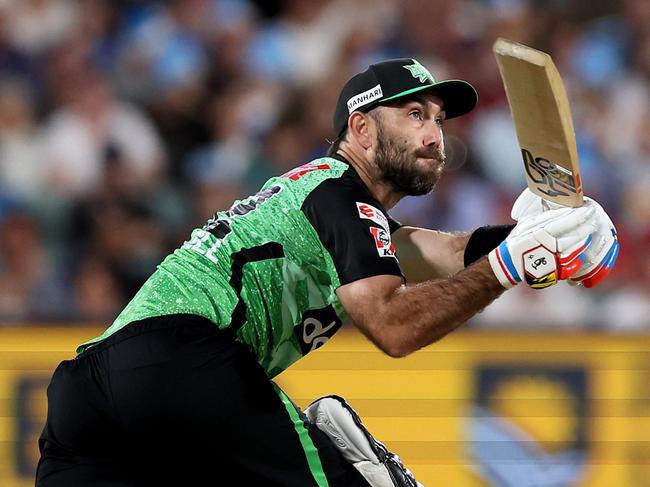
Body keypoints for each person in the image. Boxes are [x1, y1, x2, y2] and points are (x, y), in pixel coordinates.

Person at [35, 58, 618, 487]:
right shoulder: (341, 193)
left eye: (439, 121)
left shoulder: (330, 203)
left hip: (86, 391)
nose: (435, 136)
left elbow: (444, 252)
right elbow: (392, 326)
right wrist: (516, 263)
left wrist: (539, 240)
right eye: (415, 114)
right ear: (361, 129)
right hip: (183, 363)